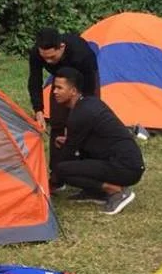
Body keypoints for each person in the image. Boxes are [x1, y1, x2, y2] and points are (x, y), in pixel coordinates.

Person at [49, 67, 143, 215]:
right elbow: (93, 138)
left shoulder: (79, 114)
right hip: (129, 162)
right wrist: (69, 141)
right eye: (54, 87)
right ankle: (95, 192)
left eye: (59, 88)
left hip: (126, 167)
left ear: (73, 91)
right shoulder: (89, 103)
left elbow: (67, 154)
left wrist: (50, 179)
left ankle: (116, 191)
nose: (54, 91)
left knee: (62, 169)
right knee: (73, 160)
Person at [27, 27, 100, 136]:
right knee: (58, 121)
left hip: (85, 78)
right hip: (61, 77)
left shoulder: (81, 54)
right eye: (44, 58)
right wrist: (38, 110)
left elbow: (89, 89)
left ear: (62, 47)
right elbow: (35, 81)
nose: (48, 62)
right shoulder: (37, 53)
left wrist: (78, 115)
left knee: (87, 118)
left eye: (52, 57)